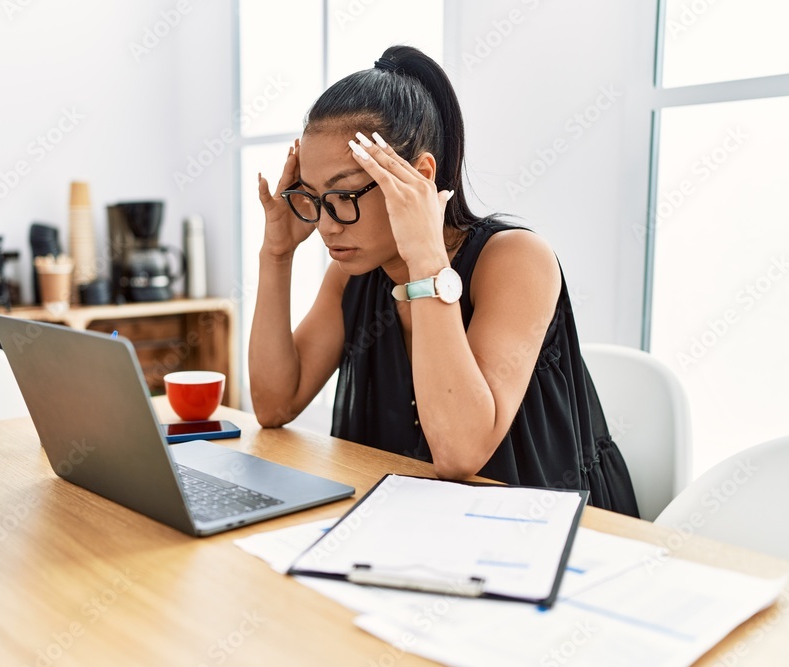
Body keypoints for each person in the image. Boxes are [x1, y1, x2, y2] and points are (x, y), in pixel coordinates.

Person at [249, 45, 639, 516]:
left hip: (553, 523)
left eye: (345, 194)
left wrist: (426, 257)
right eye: (313, 197)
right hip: (418, 518)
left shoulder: (517, 260)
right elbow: (274, 404)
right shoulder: (352, 276)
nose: (327, 225)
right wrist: (276, 255)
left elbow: (459, 454)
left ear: (419, 176)